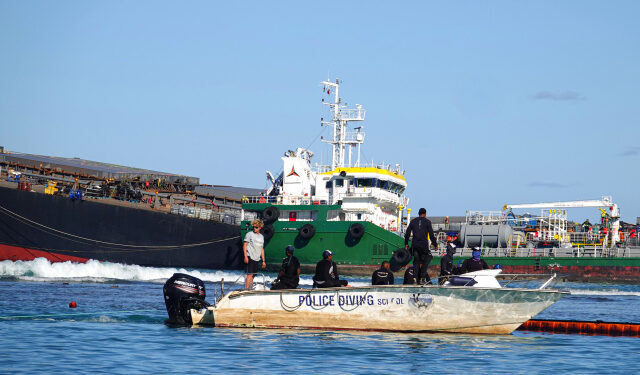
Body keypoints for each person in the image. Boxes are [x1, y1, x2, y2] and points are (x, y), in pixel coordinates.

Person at [404, 207, 438, 284]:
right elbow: (431, 235)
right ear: (425, 214)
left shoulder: (413, 222)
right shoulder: (427, 222)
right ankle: (422, 277)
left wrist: (406, 243)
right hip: (423, 246)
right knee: (427, 259)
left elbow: (407, 233)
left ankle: (415, 278)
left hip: (415, 246)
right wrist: (435, 244)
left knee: (416, 262)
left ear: (419, 214)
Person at [243, 219, 266, 289]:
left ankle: (250, 289)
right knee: (249, 275)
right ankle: (246, 290)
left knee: (253, 275)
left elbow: (261, 249)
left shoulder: (261, 237)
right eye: (253, 227)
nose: (254, 228)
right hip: (250, 256)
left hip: (257, 258)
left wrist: (263, 261)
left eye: (256, 227)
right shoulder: (249, 234)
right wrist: (245, 256)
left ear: (260, 228)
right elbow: (244, 245)